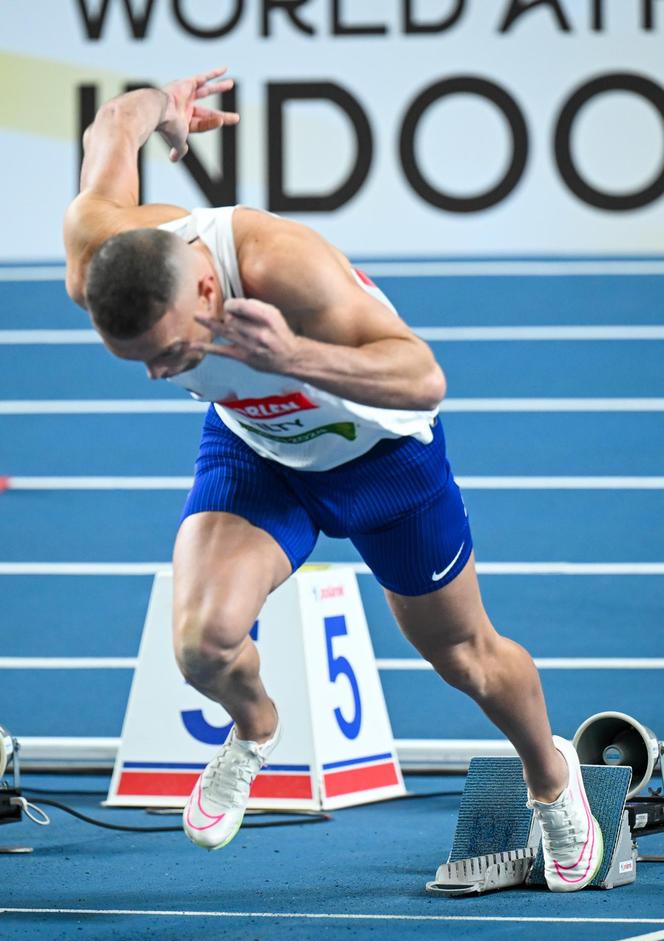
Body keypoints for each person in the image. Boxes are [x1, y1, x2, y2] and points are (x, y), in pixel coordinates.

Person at [64, 68, 602, 892]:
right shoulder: (97, 257)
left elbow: (423, 379)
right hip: (261, 456)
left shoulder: (287, 267)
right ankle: (256, 727)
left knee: (467, 659)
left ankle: (551, 777)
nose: (160, 374)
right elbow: (110, 125)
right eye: (142, 361)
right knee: (200, 644)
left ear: (209, 286)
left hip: (385, 461)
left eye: (174, 353)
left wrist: (290, 358)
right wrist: (161, 106)